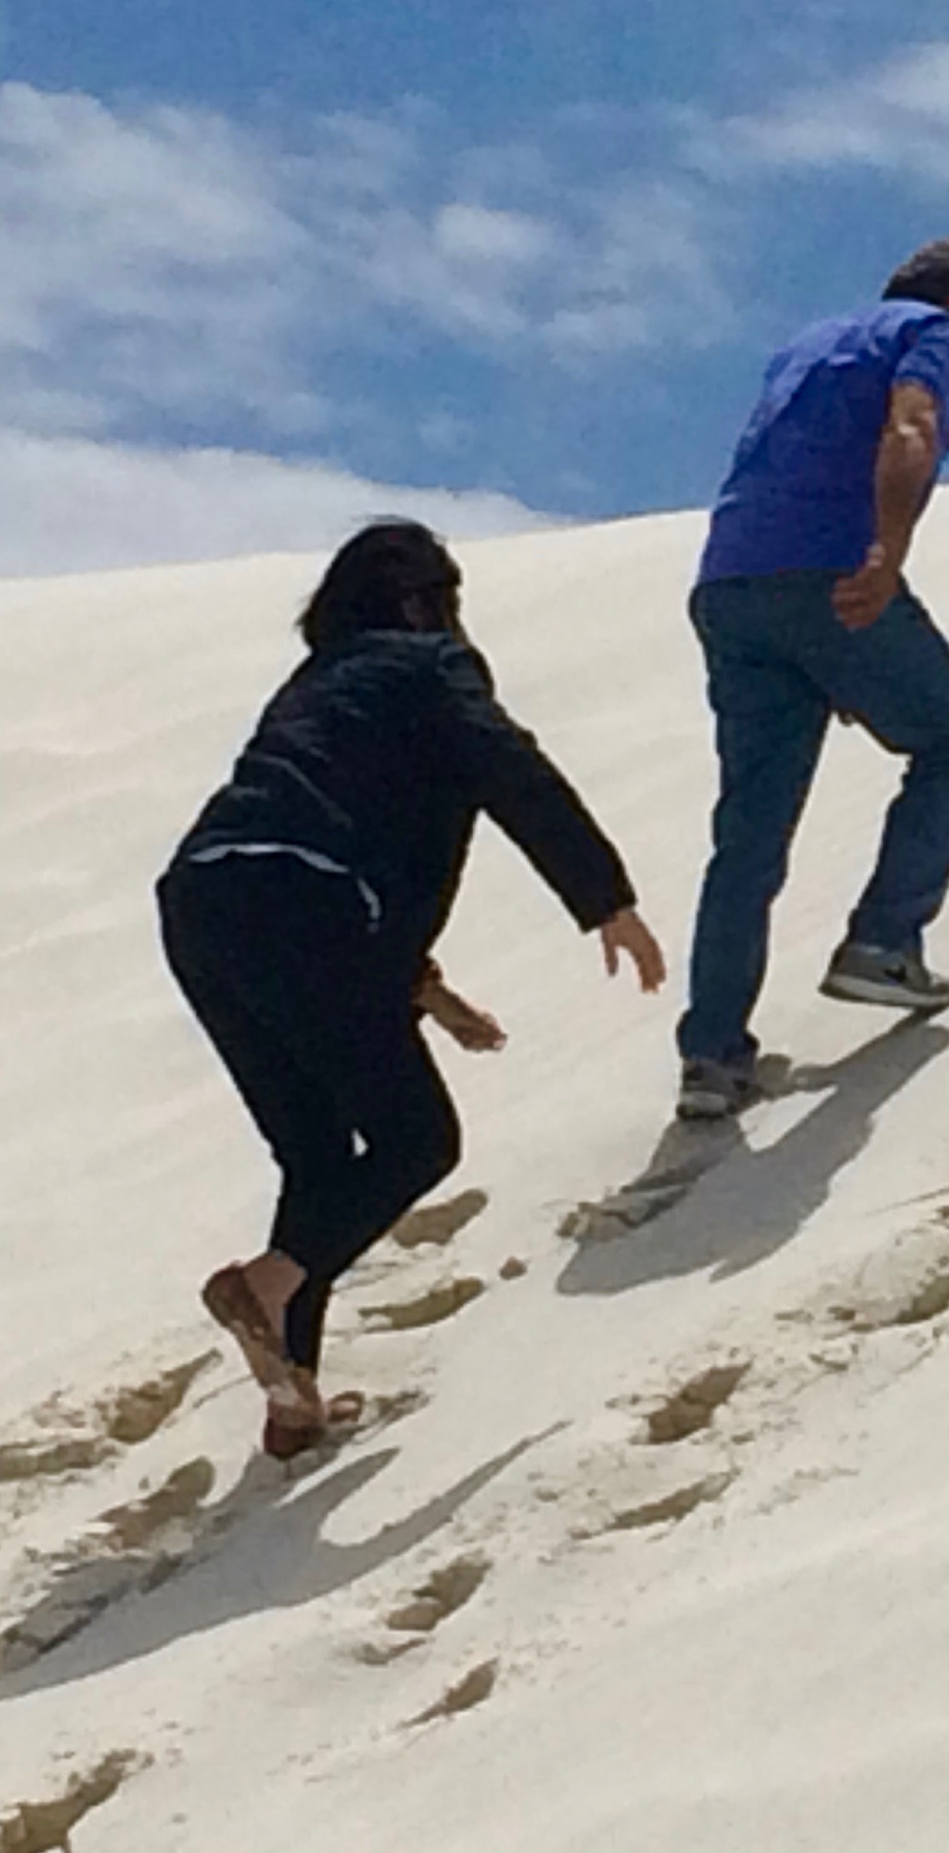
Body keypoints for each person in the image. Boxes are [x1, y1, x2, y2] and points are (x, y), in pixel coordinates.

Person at [159, 518, 664, 1455]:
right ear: (423, 602)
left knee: (317, 1158)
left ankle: (292, 1398)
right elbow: (510, 773)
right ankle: (260, 1290)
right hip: (301, 904)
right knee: (418, 1139)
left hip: (200, 904)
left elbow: (336, 846)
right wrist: (605, 898)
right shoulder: (430, 667)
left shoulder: (318, 683)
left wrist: (424, 989)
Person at [673, 236, 949, 1122]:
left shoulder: (811, 342)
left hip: (728, 585)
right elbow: (912, 427)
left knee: (749, 835)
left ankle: (711, 1057)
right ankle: (884, 941)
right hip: (827, 575)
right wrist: (887, 556)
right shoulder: (936, 335)